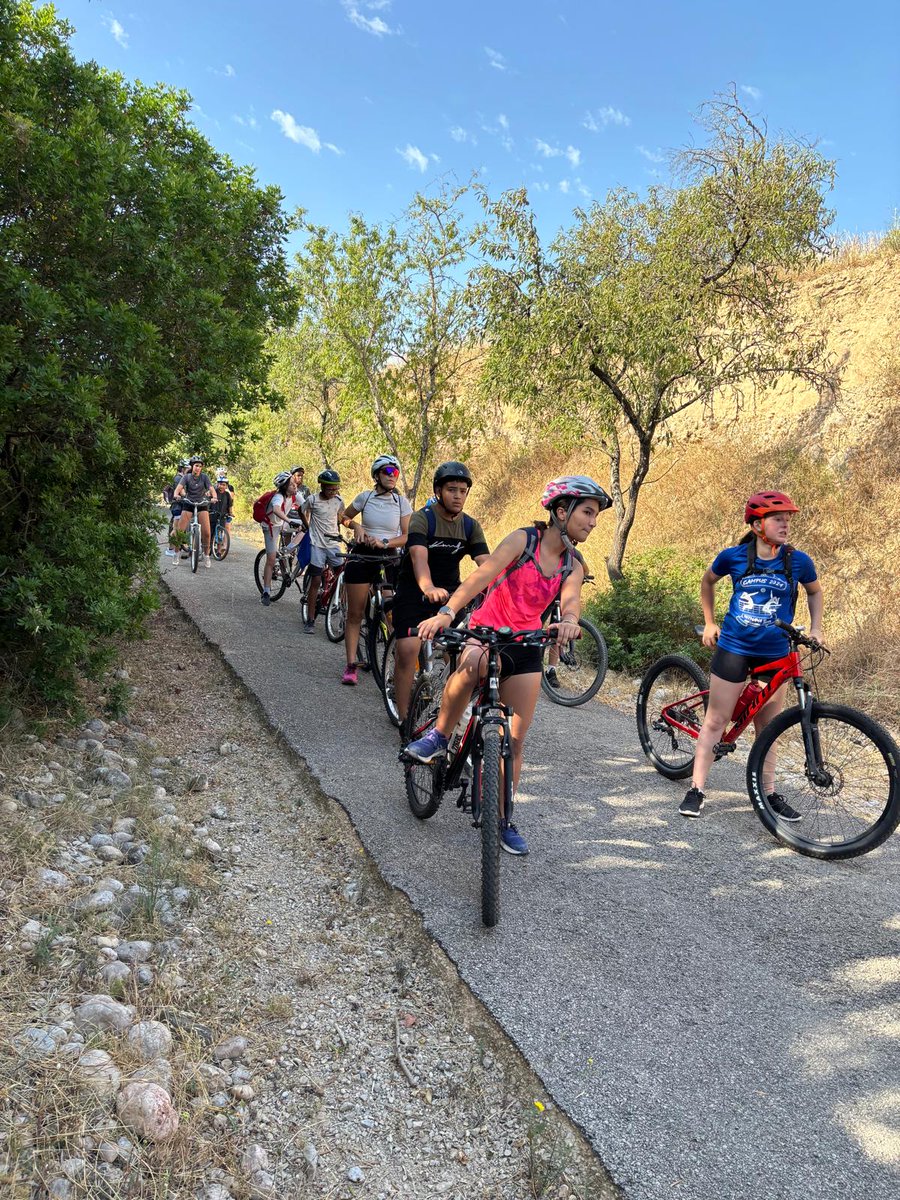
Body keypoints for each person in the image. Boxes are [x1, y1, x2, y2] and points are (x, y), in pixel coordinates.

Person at [404, 476, 612, 856]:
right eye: (588, 512)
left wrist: (568, 621)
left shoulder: (573, 564)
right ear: (561, 512)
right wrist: (449, 611)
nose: (593, 522)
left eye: (595, 516)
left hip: (526, 644)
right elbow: (482, 575)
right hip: (486, 630)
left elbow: (571, 603)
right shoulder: (523, 540)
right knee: (471, 666)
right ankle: (439, 736)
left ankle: (503, 818)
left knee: (514, 740)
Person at [679, 490, 824, 820]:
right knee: (716, 720)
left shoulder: (797, 561)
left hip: (774, 654)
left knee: (767, 728)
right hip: (734, 648)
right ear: (758, 525)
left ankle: (768, 794)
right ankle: (697, 788)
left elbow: (814, 592)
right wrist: (710, 623)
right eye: (778, 519)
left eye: (788, 519)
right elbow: (708, 581)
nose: (786, 524)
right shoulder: (733, 556)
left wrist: (817, 628)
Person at [391, 462, 490, 724]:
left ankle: (447, 711)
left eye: (463, 490)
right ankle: (403, 719)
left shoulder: (470, 526)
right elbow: (418, 557)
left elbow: (487, 565)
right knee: (407, 651)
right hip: (415, 591)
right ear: (438, 491)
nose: (458, 496)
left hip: (451, 597)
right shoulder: (423, 518)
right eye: (452, 490)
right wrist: (428, 588)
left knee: (460, 655)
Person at [339, 454, 412, 685]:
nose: (392, 477)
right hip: (362, 556)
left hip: (389, 558)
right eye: (388, 472)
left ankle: (394, 664)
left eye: (396, 473)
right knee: (355, 614)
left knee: (392, 613)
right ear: (377, 475)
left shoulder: (401, 502)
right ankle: (351, 665)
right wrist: (357, 525)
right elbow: (343, 516)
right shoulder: (366, 497)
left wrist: (386, 543)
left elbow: (407, 536)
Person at [301, 469, 346, 634]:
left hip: (333, 544)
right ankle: (311, 619)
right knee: (315, 581)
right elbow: (301, 510)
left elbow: (340, 518)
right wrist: (308, 527)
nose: (333, 492)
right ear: (322, 486)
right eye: (330, 489)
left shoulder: (339, 501)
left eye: (336, 489)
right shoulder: (312, 500)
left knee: (343, 577)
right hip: (317, 545)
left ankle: (341, 612)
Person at [171, 457, 217, 567]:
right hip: (189, 504)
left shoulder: (204, 477)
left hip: (202, 504)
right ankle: (176, 553)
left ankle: (206, 556)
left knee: (206, 532)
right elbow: (178, 489)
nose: (198, 468)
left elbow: (211, 489)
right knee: (180, 531)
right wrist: (176, 495)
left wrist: (214, 497)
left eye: (200, 466)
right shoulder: (187, 477)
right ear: (192, 466)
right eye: (196, 466)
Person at [260, 471, 297, 605]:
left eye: (295, 483)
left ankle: (288, 550)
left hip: (282, 523)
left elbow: (306, 504)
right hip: (270, 526)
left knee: (305, 531)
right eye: (292, 484)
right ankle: (266, 591)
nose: (295, 486)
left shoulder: (293, 496)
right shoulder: (278, 497)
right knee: (271, 558)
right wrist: (288, 520)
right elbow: (276, 509)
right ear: (284, 487)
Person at [163, 458, 190, 556]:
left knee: (179, 528)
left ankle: (177, 547)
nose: (189, 470)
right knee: (176, 528)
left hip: (181, 506)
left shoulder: (183, 477)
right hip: (177, 506)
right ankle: (171, 549)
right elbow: (182, 492)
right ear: (182, 468)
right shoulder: (179, 478)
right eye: (187, 468)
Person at [210, 473, 234, 551]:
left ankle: (219, 550)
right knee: (211, 531)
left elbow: (230, 505)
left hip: (222, 515)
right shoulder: (214, 492)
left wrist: (230, 513)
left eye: (224, 485)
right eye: (220, 484)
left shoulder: (227, 494)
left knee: (220, 532)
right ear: (217, 484)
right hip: (213, 514)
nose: (222, 486)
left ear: (226, 486)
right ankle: (208, 547)